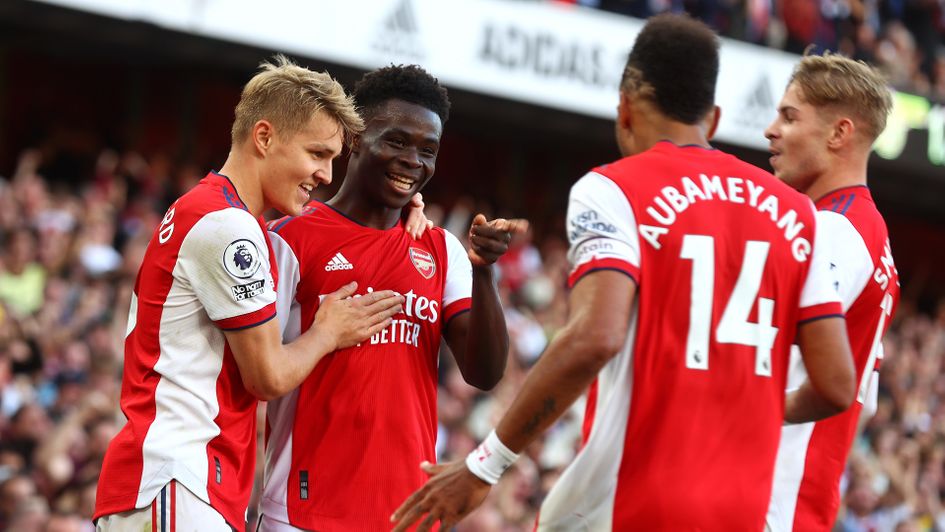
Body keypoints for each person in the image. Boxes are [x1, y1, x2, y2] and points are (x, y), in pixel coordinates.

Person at [391, 14, 857, 531]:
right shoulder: (797, 213)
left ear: (625, 108)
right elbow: (837, 385)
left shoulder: (615, 188)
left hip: (627, 503)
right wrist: (747, 407)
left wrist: (485, 465)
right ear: (716, 119)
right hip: (743, 510)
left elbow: (596, 336)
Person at [93, 56, 407, 531]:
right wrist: (327, 331)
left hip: (177, 480)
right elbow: (267, 376)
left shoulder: (212, 210)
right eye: (317, 153)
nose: (325, 175)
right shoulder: (228, 227)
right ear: (265, 137)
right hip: (180, 476)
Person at [257, 64, 526, 532]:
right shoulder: (289, 239)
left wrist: (484, 276)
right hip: (303, 512)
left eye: (428, 150)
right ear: (356, 138)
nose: (413, 161)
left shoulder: (442, 250)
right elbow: (260, 373)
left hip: (408, 517)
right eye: (397, 142)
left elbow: (484, 374)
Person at [765, 53, 900, 532]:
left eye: (789, 115)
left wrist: (747, 407)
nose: (770, 130)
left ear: (839, 133)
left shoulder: (833, 232)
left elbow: (834, 386)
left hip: (770, 505)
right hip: (801, 507)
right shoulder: (871, 236)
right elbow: (868, 399)